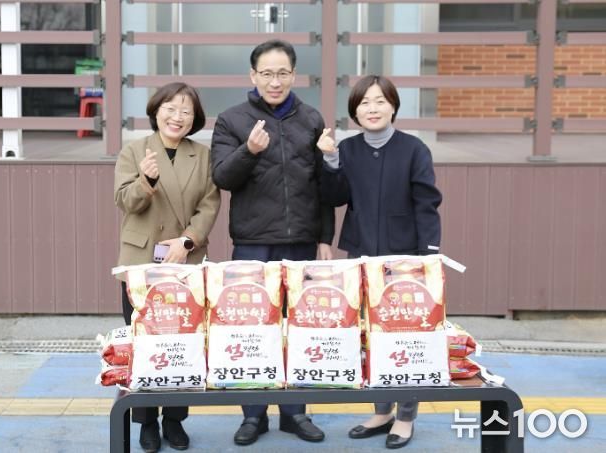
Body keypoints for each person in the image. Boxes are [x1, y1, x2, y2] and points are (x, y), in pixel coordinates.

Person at [210, 39, 334, 446]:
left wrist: (325, 238)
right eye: (267, 73)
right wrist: (249, 151)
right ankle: (253, 415)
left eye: (282, 73)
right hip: (253, 242)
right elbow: (222, 177)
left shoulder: (311, 119)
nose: (275, 81)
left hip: (301, 241)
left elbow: (322, 186)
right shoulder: (232, 120)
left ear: (294, 75)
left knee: (300, 327)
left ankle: (295, 413)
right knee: (253, 327)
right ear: (253, 75)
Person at [317, 75, 442, 449]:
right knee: (370, 334)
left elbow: (427, 204)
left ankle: (405, 416)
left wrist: (429, 256)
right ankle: (382, 411)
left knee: (404, 333)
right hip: (361, 254)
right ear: (354, 111)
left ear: (393, 106)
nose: (372, 109)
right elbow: (334, 197)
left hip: (406, 257)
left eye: (380, 101)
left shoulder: (414, 149)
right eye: (364, 103)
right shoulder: (348, 149)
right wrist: (330, 160)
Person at [114, 82, 221, 452]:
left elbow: (209, 204)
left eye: (186, 111)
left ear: (195, 119)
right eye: (171, 109)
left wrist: (187, 241)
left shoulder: (202, 155)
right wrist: (146, 181)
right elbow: (125, 201)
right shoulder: (134, 150)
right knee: (144, 341)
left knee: (183, 340)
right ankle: (146, 421)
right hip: (141, 262)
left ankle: (174, 420)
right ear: (156, 111)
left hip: (185, 260)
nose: (178, 117)